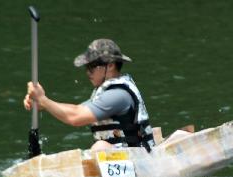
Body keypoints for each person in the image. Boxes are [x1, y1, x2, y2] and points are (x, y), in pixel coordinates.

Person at [23, 38, 155, 151]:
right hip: (125, 160)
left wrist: (43, 100)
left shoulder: (118, 96)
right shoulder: (106, 92)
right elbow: (76, 109)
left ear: (110, 66)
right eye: (87, 67)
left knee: (100, 147)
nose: (88, 72)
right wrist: (43, 104)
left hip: (137, 162)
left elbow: (75, 117)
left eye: (92, 66)